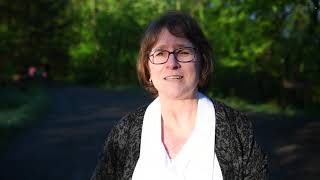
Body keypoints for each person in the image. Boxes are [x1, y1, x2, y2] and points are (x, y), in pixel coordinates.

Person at [91, 11, 268, 180]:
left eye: (183, 52)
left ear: (202, 63)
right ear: (148, 69)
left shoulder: (237, 129)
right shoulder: (124, 132)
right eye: (160, 53)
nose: (172, 63)